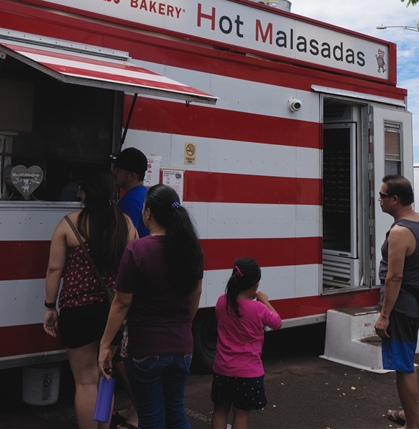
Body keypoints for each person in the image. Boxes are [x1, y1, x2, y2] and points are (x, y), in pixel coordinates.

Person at [97, 184, 204, 429]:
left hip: (145, 346)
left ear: (148, 214)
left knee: (151, 418)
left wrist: (105, 345)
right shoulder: (192, 249)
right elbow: (196, 293)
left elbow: (122, 303)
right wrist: (182, 325)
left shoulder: (138, 249)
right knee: (175, 412)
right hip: (182, 346)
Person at [44, 172, 138, 429]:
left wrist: (50, 306)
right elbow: (136, 267)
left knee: (85, 381)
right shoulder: (126, 224)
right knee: (105, 376)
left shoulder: (69, 223)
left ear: (85, 192)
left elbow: (54, 269)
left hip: (78, 311)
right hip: (114, 311)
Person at [374, 175, 419, 429]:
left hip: (401, 308)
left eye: (382, 195)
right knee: (405, 361)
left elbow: (395, 277)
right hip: (414, 305)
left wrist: (384, 315)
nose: (379, 199)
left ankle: (413, 425)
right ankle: (407, 416)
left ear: (395, 199)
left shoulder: (400, 232)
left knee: (403, 366)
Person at [210, 258, 281, 429]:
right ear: (255, 286)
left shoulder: (221, 301)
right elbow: (277, 322)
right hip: (248, 373)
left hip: (222, 369)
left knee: (220, 410)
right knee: (241, 414)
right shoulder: (259, 309)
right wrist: (264, 300)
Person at [112, 148, 150, 238]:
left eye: (118, 169)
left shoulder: (129, 202)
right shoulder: (147, 194)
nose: (114, 172)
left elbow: (126, 240)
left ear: (131, 176)